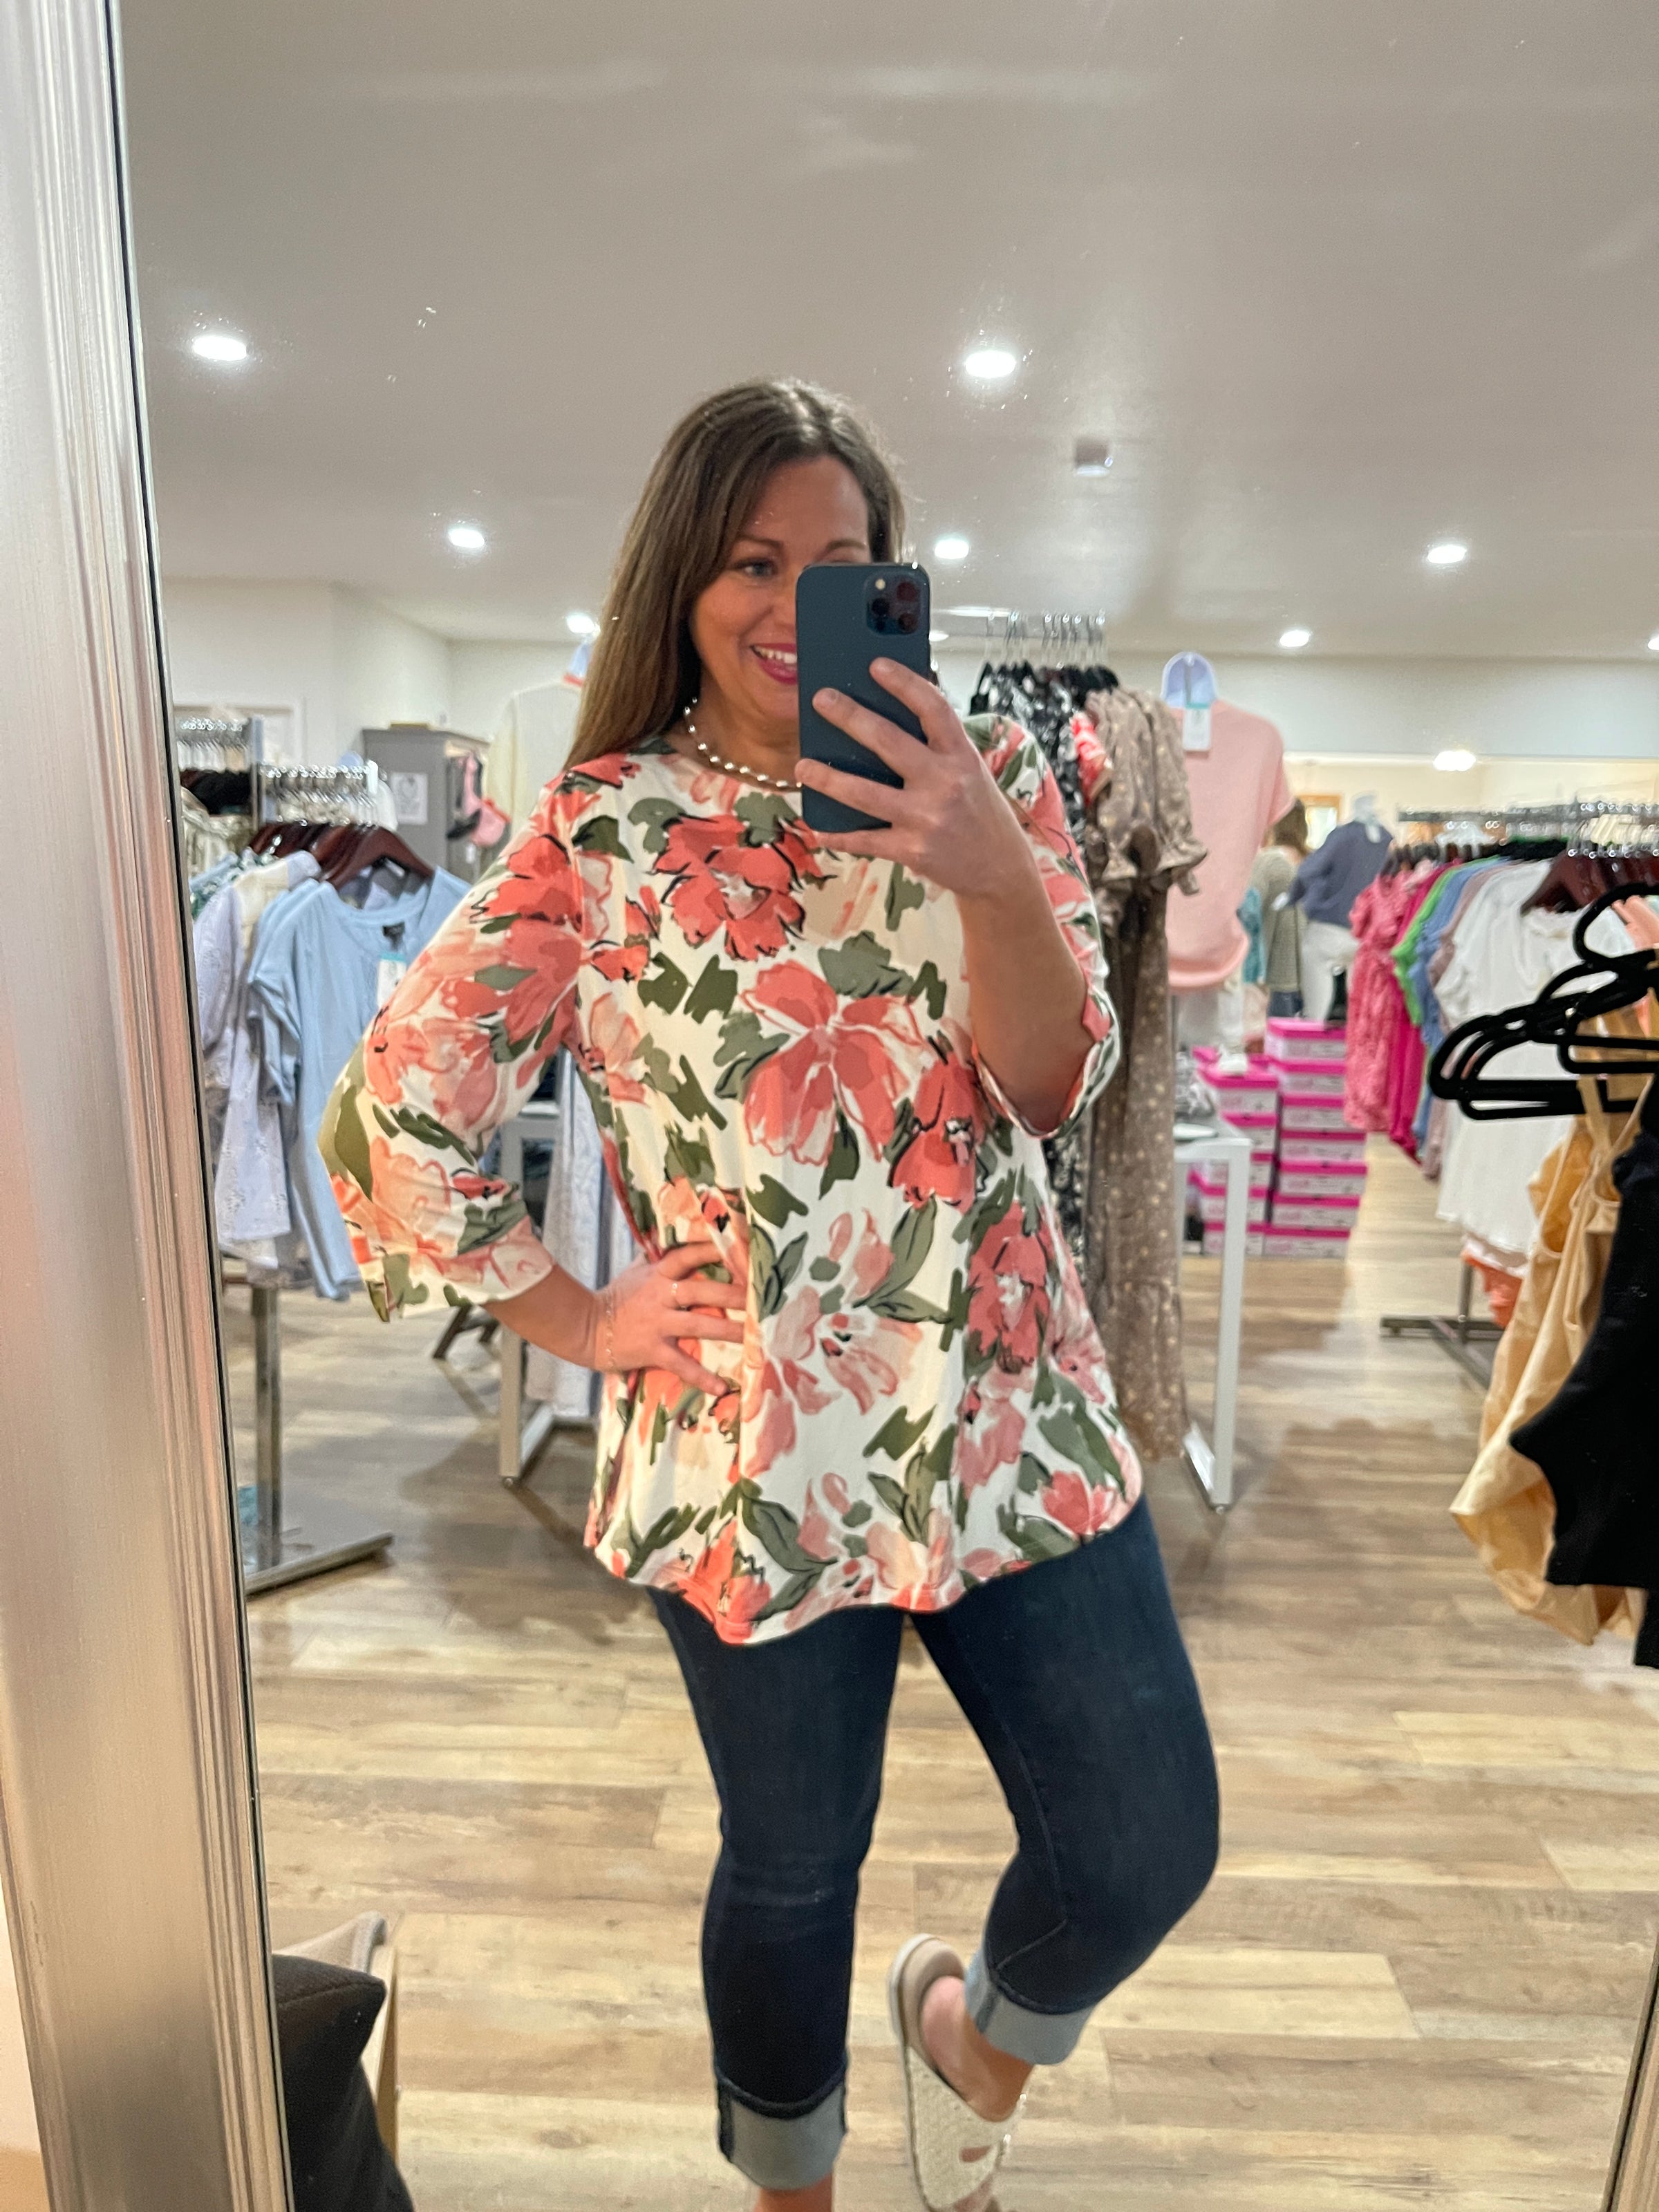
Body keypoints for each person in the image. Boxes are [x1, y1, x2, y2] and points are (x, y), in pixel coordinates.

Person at [322, 379, 1217, 2212]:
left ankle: (967, 2044)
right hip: (757, 1444)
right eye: (754, 559)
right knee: (796, 1865)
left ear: (893, 584)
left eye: (841, 562)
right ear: (685, 576)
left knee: (1144, 1839)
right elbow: (395, 1104)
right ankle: (791, 2189)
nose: (794, 600)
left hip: (1009, 1407)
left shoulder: (988, 778)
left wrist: (989, 869)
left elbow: (1054, 1084)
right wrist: (577, 1318)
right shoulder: (605, 828)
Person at [1250, 799, 1311, 1020]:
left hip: (1274, 972)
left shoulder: (1267, 862)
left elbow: (1250, 910)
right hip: (1307, 974)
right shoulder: (1312, 862)